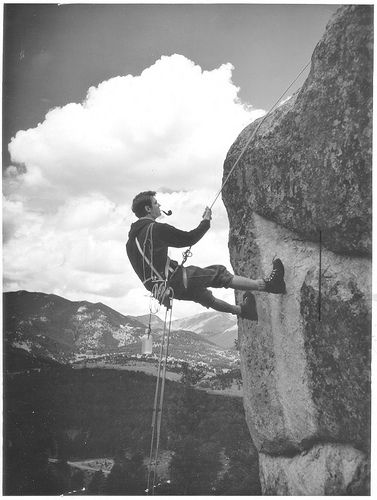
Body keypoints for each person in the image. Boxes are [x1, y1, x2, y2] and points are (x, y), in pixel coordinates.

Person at [126, 191, 286, 320]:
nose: (159, 205)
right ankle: (268, 285)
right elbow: (190, 238)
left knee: (204, 297)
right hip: (175, 279)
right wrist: (206, 221)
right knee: (218, 274)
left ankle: (243, 311)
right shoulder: (156, 229)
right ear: (148, 209)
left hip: (162, 290)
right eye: (155, 203)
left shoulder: (130, 243)